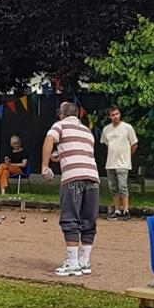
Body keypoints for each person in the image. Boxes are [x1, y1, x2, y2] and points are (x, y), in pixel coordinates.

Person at [41, 101, 101, 277]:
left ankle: (72, 263)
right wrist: (58, 156)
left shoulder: (59, 125)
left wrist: (45, 166)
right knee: (88, 220)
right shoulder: (87, 132)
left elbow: (49, 139)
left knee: (70, 218)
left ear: (62, 114)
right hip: (93, 178)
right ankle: (84, 261)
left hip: (73, 179)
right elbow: (79, 151)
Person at [100, 106, 141, 217]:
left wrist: (128, 156)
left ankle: (126, 210)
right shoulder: (106, 129)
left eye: (117, 114)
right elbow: (106, 143)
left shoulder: (127, 128)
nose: (115, 117)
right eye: (113, 115)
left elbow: (134, 144)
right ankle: (117, 210)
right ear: (109, 116)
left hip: (123, 163)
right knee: (113, 187)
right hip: (110, 162)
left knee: (123, 186)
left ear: (120, 114)